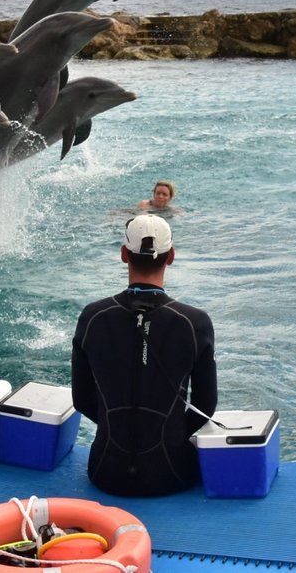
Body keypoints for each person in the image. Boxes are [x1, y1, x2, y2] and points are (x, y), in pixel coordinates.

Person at [71, 213, 216, 497]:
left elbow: (82, 400)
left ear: (124, 254)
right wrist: (167, 435)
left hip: (105, 470)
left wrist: (121, 430)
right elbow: (206, 405)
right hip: (171, 473)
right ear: (171, 255)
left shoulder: (93, 316)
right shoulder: (194, 322)